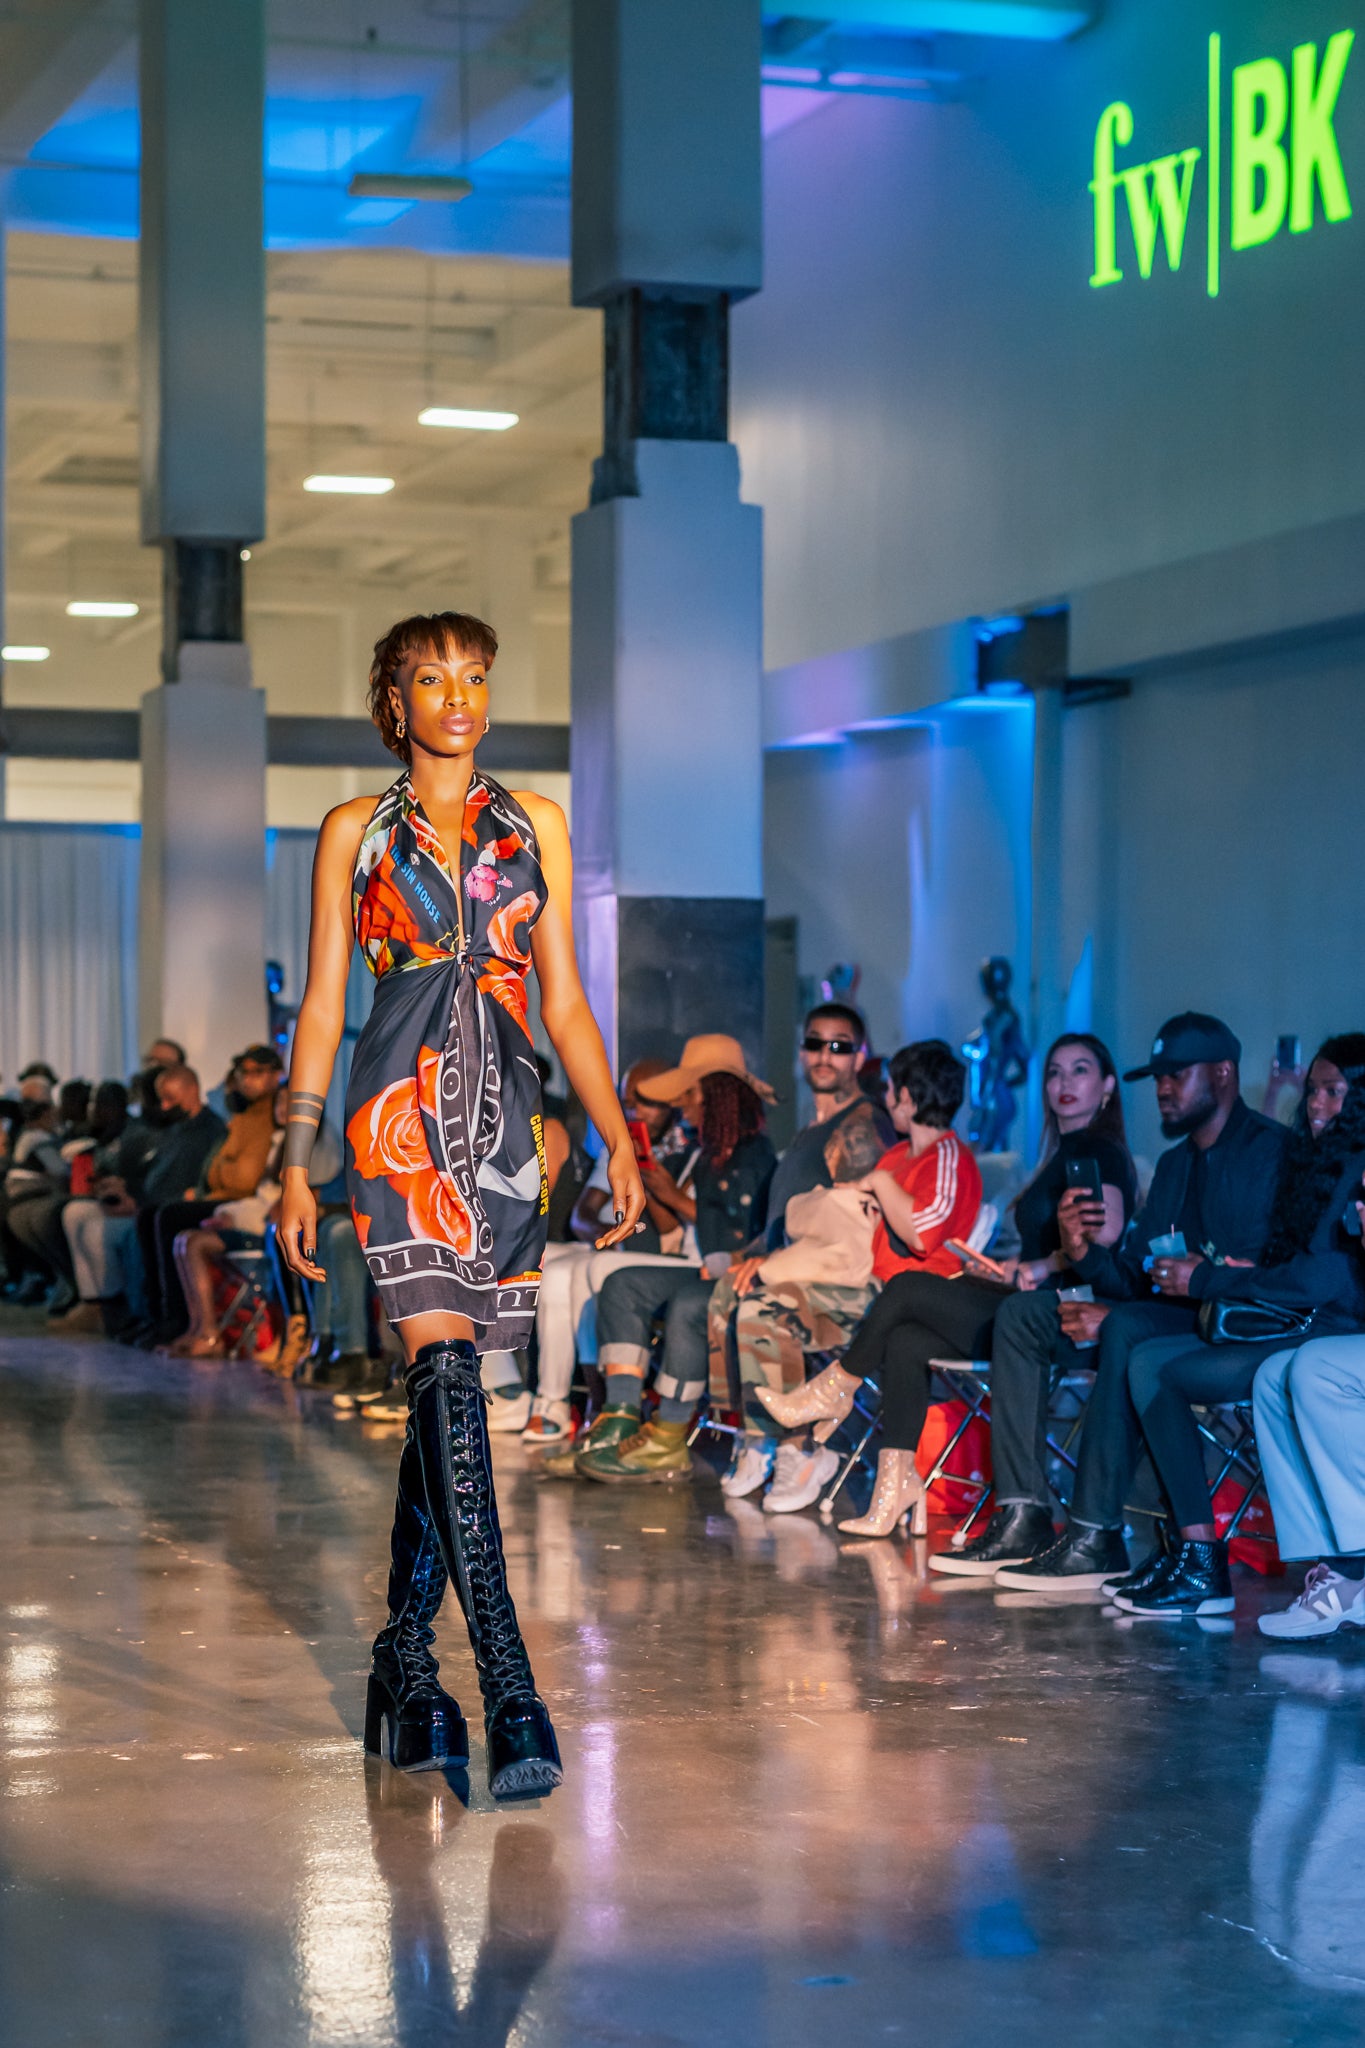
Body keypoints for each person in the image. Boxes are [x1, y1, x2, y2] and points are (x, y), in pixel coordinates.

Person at [277, 608, 644, 1798]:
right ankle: (510, 1687)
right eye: (432, 678)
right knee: (441, 1373)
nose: (458, 696)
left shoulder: (534, 820)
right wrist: (295, 1154)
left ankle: (400, 1666)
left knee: (454, 1398)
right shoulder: (352, 830)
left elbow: (570, 1003)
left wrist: (618, 1134)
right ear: (395, 697)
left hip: (509, 1130)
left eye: (475, 676)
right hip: (395, 1116)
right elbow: (325, 1004)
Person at [984, 1012, 1288, 1592]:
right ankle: (1031, 1511)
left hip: (1252, 1324)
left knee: (1127, 1333)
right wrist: (1083, 1254)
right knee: (1027, 1314)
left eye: (1177, 1075)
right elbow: (1136, 1274)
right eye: (1158, 1078)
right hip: (1182, 1316)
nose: (1164, 1089)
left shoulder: (1272, 1153)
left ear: (1223, 1074)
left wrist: (1182, 1287)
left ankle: (1099, 1532)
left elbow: (1271, 1276)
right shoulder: (1175, 1166)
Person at [803, 1034, 1137, 1543]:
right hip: (1026, 1304)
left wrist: (1043, 1267)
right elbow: (1050, 1251)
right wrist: (1008, 1269)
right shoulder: (1062, 1153)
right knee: (906, 1338)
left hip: (1066, 1319)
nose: (1064, 1084)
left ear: (1108, 1085)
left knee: (911, 1286)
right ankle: (894, 1488)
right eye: (1054, 1072)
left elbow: (1104, 1236)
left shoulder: (1098, 1152)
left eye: (1080, 1071)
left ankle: (837, 1387)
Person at [1107, 1035, 1365, 1618]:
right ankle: (1195, 1553)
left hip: (1328, 1329)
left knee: (1170, 1373)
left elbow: (1320, 1281)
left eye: (1334, 1092)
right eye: (1313, 1091)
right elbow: (1294, 1272)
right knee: (1148, 1359)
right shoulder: (1316, 1160)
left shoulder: (1354, 1167)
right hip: (1296, 1319)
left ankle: (1206, 1559)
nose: (1318, 1105)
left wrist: (1211, 1281)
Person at [750, 1038, 984, 1525]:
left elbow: (923, 1233)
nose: (887, 1098)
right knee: (898, 1339)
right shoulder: (898, 1154)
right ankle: (892, 1489)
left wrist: (878, 1185)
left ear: (908, 1097)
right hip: (882, 1300)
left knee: (894, 1301)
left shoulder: (947, 1155)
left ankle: (829, 1395)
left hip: (930, 1297)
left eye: (893, 1089)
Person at [707, 1002, 896, 1513]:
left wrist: (768, 1266)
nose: (825, 1056)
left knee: (762, 1307)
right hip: (797, 1269)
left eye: (840, 1046)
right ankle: (757, 1436)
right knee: (725, 1292)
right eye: (815, 1043)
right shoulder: (808, 1132)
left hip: (848, 1285)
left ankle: (800, 1448)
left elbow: (849, 1234)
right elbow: (784, 1225)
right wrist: (742, 1258)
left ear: (860, 1057)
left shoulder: (862, 1127)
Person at [572, 1065, 777, 1483]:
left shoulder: (755, 1153)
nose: (683, 1106)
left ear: (716, 1100)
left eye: (691, 1097)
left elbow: (745, 1231)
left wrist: (669, 1196)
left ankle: (669, 1433)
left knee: (688, 1302)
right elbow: (678, 1226)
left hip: (742, 1273)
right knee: (622, 1284)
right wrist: (658, 1191)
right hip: (704, 1266)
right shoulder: (701, 1154)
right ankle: (622, 1412)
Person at [522, 1054, 696, 1447]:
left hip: (652, 1252)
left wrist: (650, 1181)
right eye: (628, 1102)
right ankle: (552, 1404)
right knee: (549, 1268)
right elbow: (583, 1213)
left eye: (645, 1101)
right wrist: (607, 1232)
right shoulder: (619, 1144)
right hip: (609, 1241)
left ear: (673, 1101)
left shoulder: (684, 1148)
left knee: (584, 1271)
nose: (635, 1111)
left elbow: (675, 1228)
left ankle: (601, 1405)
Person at [135, 1046, 282, 1345]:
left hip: (247, 1204)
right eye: (243, 1072)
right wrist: (225, 1171)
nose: (248, 1080)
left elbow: (243, 1178)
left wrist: (225, 1171)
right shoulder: (242, 1117)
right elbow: (217, 1170)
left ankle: (179, 1319)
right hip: (227, 1197)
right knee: (151, 1214)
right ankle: (159, 1316)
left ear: (275, 1075)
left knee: (169, 1217)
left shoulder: (272, 1116)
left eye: (257, 1072)